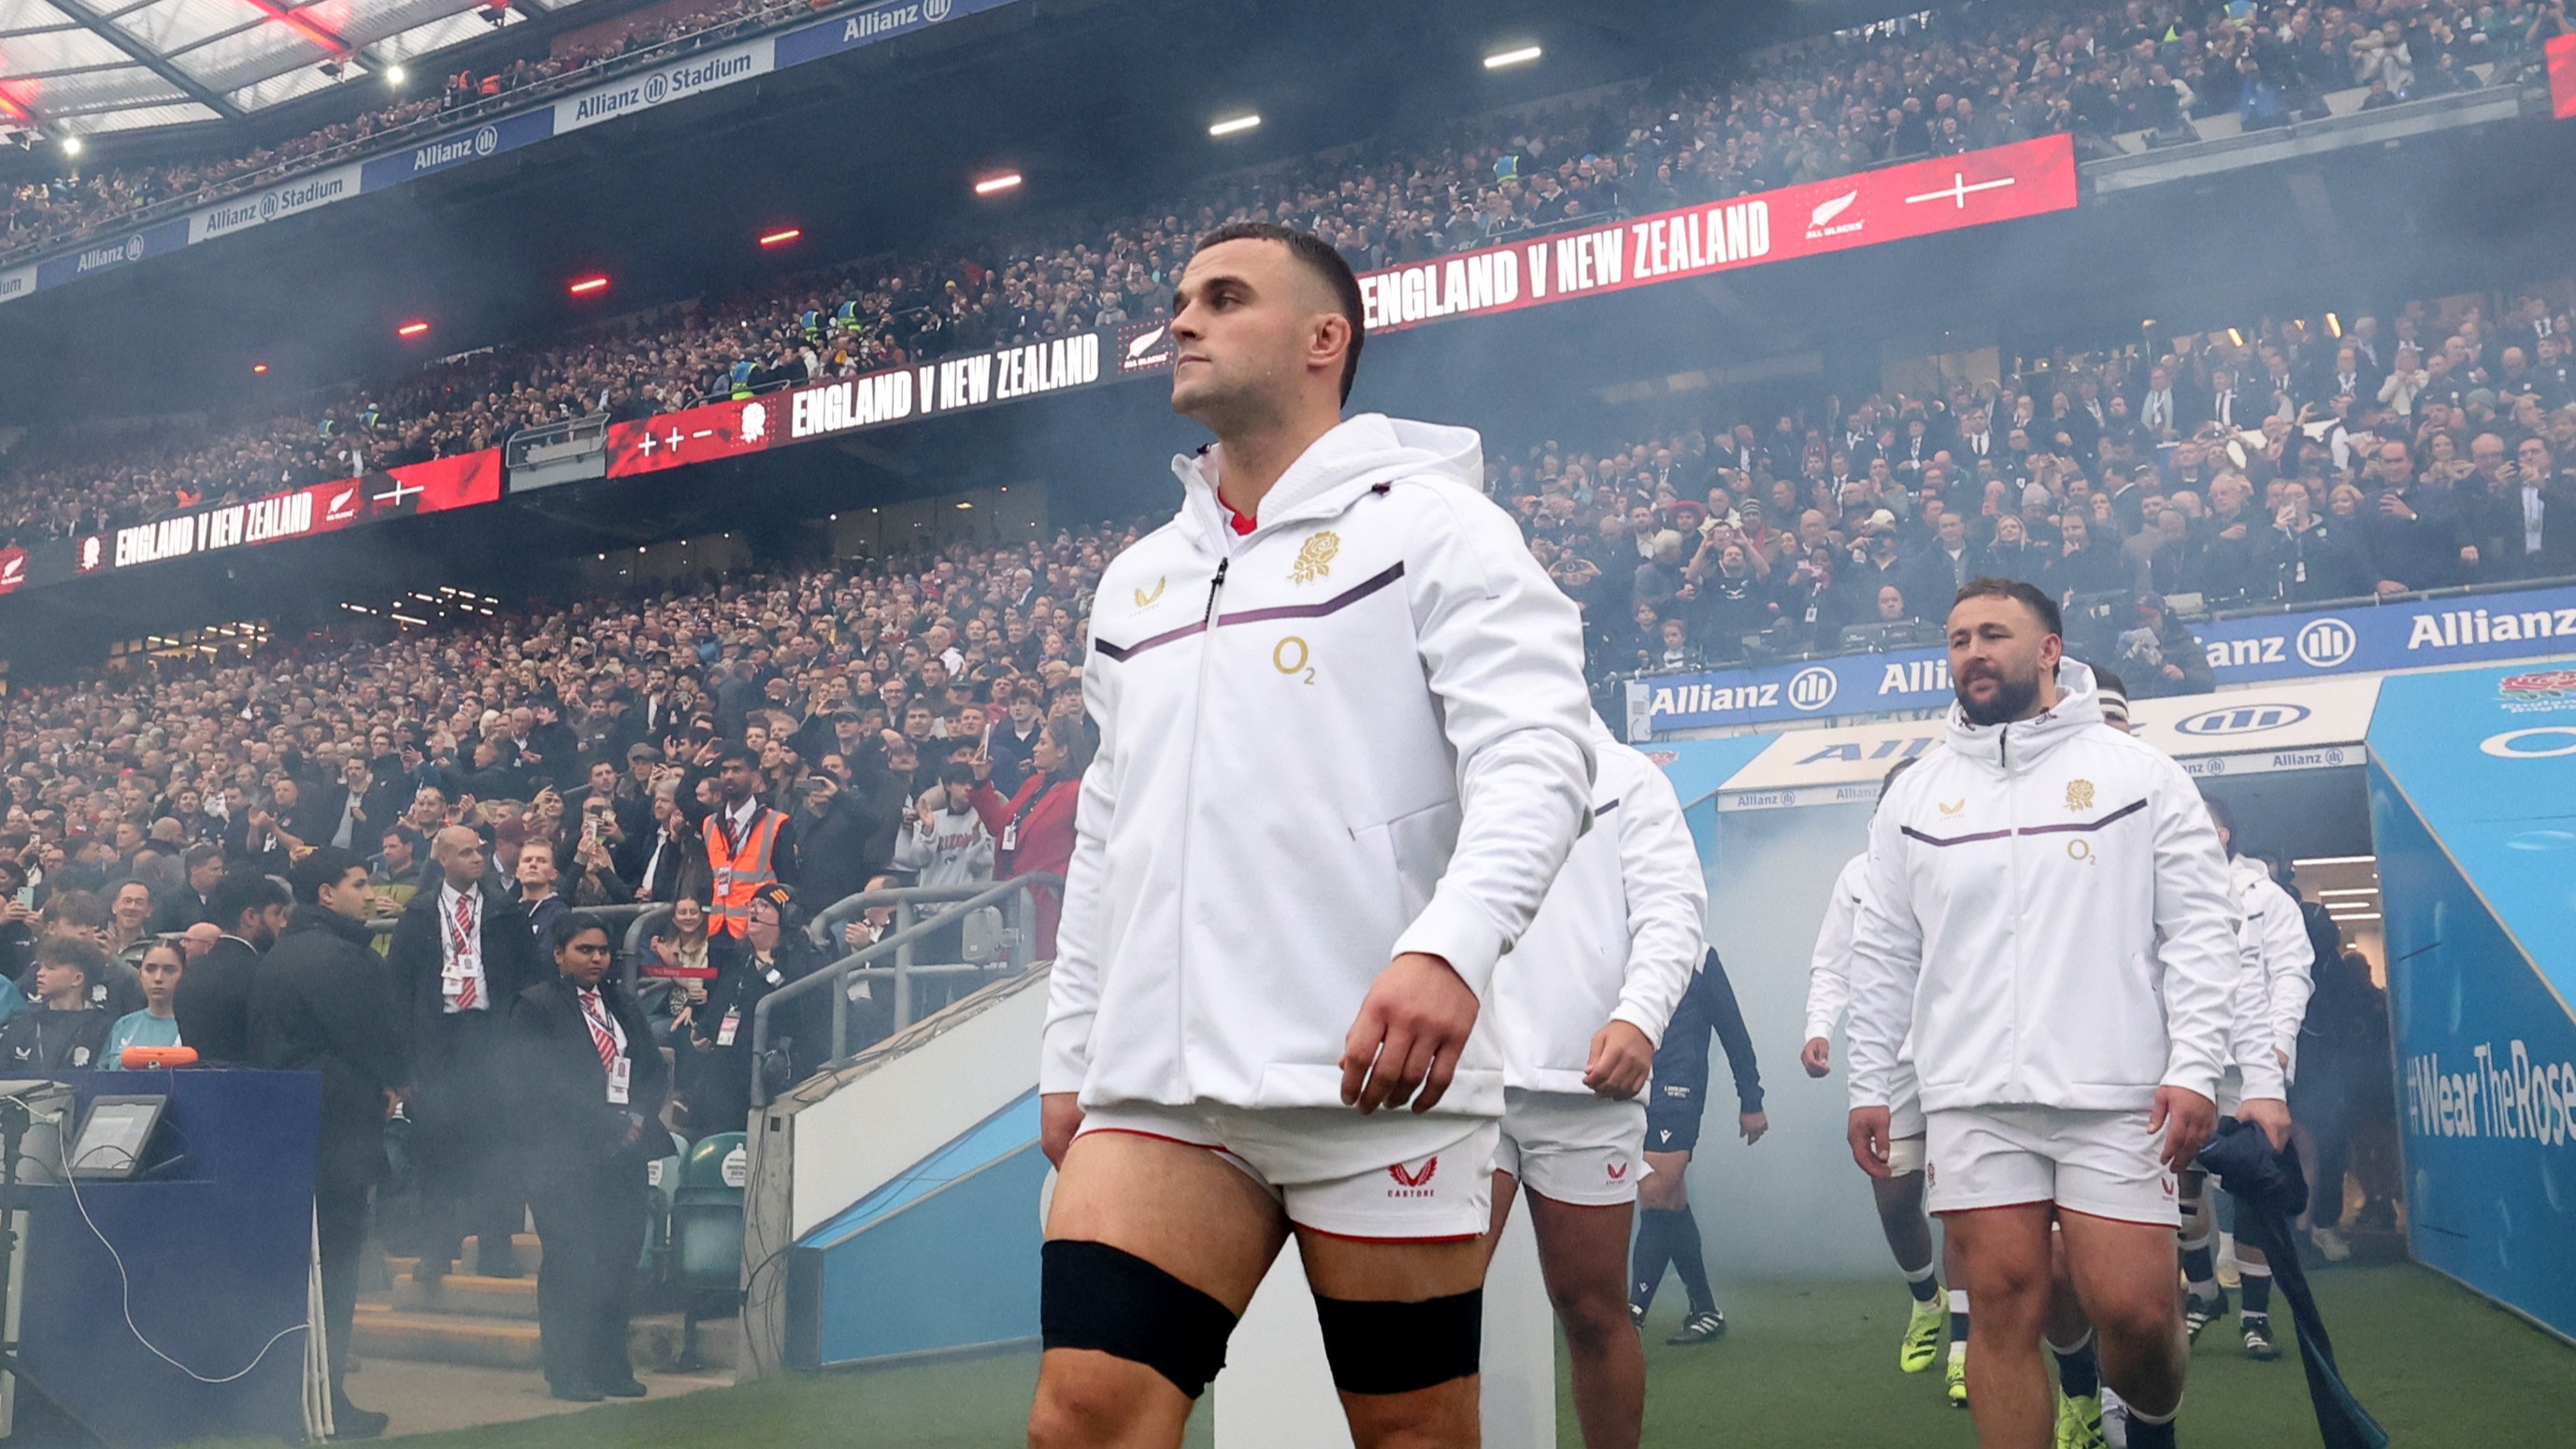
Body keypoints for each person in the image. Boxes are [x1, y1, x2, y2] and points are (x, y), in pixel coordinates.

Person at [1031, 222, 1593, 1449]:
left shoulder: (1437, 525)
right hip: (1159, 1093)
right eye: (1178, 299)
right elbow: (1106, 830)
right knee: (1080, 1419)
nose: (1183, 320)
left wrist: (1448, 947)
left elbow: (1544, 751)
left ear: (1324, 339)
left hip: (1372, 1083)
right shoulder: (1136, 579)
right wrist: (1072, 1046)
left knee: (1414, 1436)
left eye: (1224, 298)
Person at [1844, 579, 2237, 1449]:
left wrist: (2195, 1067)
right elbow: (1882, 954)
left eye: (1994, 634)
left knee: (2134, 1315)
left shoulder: (2141, 775)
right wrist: (1872, 1084)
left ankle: (2151, 1431)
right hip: (1971, 1098)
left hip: (2118, 1094)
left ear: (2051, 649)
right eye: (1957, 640)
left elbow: (2203, 933)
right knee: (2001, 1309)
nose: (1973, 654)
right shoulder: (1916, 794)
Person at [1485, 719, 1700, 1449]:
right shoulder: (1435, 760)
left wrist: (1639, 1019)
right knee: (1434, 1315)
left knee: (1591, 1309)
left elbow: (1673, 912)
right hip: (1457, 1082)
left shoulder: (1629, 776)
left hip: (1586, 1087)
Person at [1802, 757, 1971, 1401]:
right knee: (1897, 1199)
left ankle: (1964, 1344)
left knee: (1958, 1203)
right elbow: (1833, 964)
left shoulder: (1961, 855)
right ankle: (1925, 1298)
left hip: (1959, 1055)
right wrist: (1819, 1026)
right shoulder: (1858, 875)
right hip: (1891, 1064)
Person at [246, 847, 406, 1441]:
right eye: (359, 883)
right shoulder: (345, 958)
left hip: (288, 1132)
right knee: (336, 1273)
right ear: (325, 893)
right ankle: (326, 1400)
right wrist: (394, 1081)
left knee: (298, 1275)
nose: (369, 894)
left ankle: (293, 1396)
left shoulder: (280, 953)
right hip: (338, 1135)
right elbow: (383, 1040)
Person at [2171, 796, 2310, 1364]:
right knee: (2179, 1183)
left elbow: (2291, 973)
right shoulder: (2165, 891)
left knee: (2254, 1190)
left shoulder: (2266, 897)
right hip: (2185, 1065)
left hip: (2252, 1071)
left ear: (2224, 835)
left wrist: (2277, 1048)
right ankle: (2203, 1292)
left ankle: (2256, 1317)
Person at [510, 912, 669, 1402]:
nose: (596, 958)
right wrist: (604, 1120)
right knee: (572, 1261)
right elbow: (537, 1081)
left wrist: (637, 1115)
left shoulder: (620, 1001)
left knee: (619, 1261)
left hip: (623, 1153)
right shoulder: (535, 1007)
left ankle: (609, 1365)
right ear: (559, 954)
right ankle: (568, 1370)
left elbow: (648, 1065)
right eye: (584, 949)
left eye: (602, 950)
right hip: (562, 1157)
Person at [389, 825, 542, 1285]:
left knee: (498, 1151)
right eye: (467, 852)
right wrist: (406, 1065)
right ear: (442, 859)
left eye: (480, 850)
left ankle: (496, 1248)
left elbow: (529, 976)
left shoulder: (503, 910)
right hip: (439, 1042)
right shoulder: (418, 914)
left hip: (492, 1040)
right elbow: (398, 989)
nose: (478, 858)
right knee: (437, 1154)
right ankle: (437, 1249)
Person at [1629, 947, 1767, 1344]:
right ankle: (1705, 1309)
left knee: (1654, 1190)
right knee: (1669, 1199)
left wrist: (1751, 1099)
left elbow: (1733, 1030)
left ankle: (1633, 1314)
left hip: (1678, 1086)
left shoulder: (1700, 956)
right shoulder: (1620, 943)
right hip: (1631, 1083)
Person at [683, 883, 817, 1134]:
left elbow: (805, 1017)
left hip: (771, 1064)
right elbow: (724, 999)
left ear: (787, 916)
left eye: (764, 906)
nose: (754, 911)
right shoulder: (737, 959)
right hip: (726, 1064)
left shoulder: (803, 961)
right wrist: (705, 1030)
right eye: (751, 905)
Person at [966, 714, 1089, 958]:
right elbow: (1000, 827)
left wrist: (1059, 881)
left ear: (1063, 750)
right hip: (1012, 895)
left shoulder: (1079, 791)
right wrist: (982, 781)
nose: (1035, 747)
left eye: (1043, 743)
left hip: (1049, 901)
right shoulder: (1033, 783)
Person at [169, 869, 290, 1066]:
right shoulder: (264, 974)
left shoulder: (190, 974)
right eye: (276, 913)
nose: (283, 923)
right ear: (250, 916)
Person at [702, 744, 795, 941]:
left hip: (758, 931)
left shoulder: (777, 823)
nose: (728, 776)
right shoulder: (709, 824)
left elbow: (788, 883)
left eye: (737, 770)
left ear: (754, 777)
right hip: (718, 930)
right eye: (724, 770)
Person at [0, 937, 114, 1069]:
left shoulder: (103, 1028)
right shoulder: (21, 1024)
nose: (40, 973)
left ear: (77, 979)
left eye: (50, 968)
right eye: (41, 967)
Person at [104, 939, 186, 1064]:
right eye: (150, 969)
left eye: (169, 970)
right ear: (141, 973)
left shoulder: (194, 1030)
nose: (158, 978)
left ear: (184, 974)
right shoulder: (122, 1026)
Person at [150, 844, 226, 932]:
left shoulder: (224, 898)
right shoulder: (169, 902)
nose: (220, 874)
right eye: (214, 869)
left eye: (222, 869)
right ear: (194, 870)